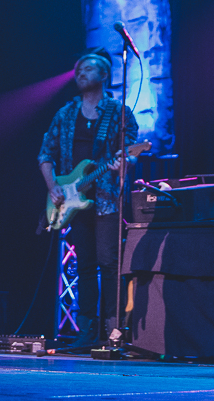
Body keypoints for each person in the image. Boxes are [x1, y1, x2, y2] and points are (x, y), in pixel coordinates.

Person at [39, 49, 140, 350]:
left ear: (105, 75)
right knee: (84, 264)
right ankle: (86, 330)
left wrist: (124, 162)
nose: (80, 72)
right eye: (78, 68)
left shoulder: (118, 113)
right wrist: (54, 187)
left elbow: (130, 152)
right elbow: (45, 155)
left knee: (109, 263)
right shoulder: (65, 114)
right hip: (72, 200)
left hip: (107, 198)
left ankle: (113, 329)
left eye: (88, 68)